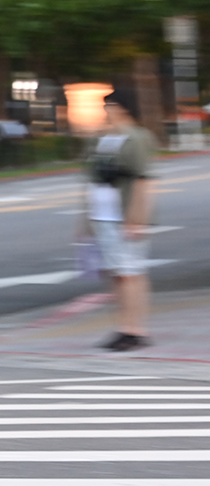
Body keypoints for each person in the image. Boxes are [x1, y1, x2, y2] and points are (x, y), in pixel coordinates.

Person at [83, 89, 156, 351]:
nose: (106, 110)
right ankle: (123, 327)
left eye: (110, 105)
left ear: (124, 107)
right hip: (103, 215)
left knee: (132, 274)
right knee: (116, 275)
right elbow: (91, 180)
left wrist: (137, 218)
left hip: (124, 216)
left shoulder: (137, 137)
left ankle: (136, 330)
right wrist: (86, 222)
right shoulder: (100, 139)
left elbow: (143, 180)